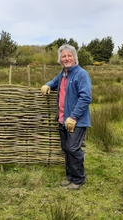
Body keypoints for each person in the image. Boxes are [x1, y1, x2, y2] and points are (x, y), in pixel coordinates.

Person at [41, 44, 92, 190]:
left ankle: (79, 179)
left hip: (76, 121)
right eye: (64, 56)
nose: (67, 58)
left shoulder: (81, 74)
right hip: (63, 119)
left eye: (69, 56)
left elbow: (85, 97)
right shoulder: (63, 73)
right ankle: (70, 177)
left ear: (75, 58)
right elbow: (55, 82)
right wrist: (48, 85)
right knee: (66, 148)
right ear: (60, 59)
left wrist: (74, 117)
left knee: (73, 149)